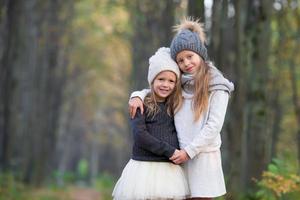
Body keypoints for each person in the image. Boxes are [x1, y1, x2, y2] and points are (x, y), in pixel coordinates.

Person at [128, 18, 234, 199]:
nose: (186, 63)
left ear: (200, 54)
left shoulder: (217, 86)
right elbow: (158, 87)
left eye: (189, 57)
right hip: (177, 157)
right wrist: (137, 95)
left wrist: (189, 152)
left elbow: (213, 126)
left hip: (201, 157)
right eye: (180, 60)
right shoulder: (180, 83)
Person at [112, 47, 190, 200]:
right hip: (144, 169)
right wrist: (170, 151)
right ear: (152, 80)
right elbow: (140, 136)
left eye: (171, 81)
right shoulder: (141, 104)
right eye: (161, 79)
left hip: (169, 170)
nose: (166, 85)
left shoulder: (175, 105)